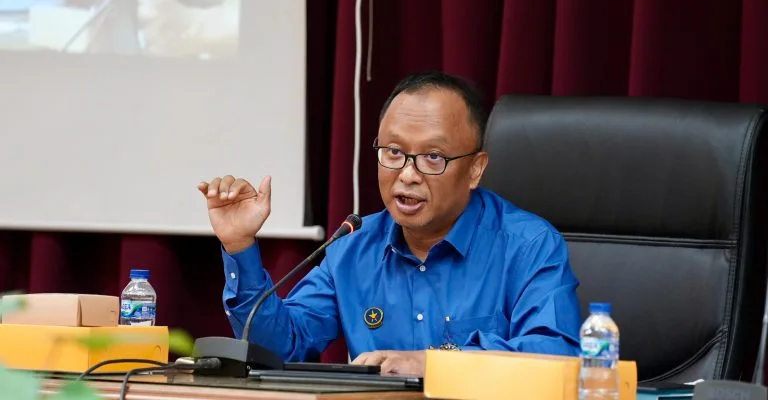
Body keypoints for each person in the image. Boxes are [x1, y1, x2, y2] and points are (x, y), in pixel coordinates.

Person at [198, 71, 582, 377]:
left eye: (433, 157)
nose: (408, 175)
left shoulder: (528, 245)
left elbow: (555, 354)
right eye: (394, 152)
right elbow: (283, 347)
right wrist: (239, 245)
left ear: (475, 169)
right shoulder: (353, 246)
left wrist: (432, 364)